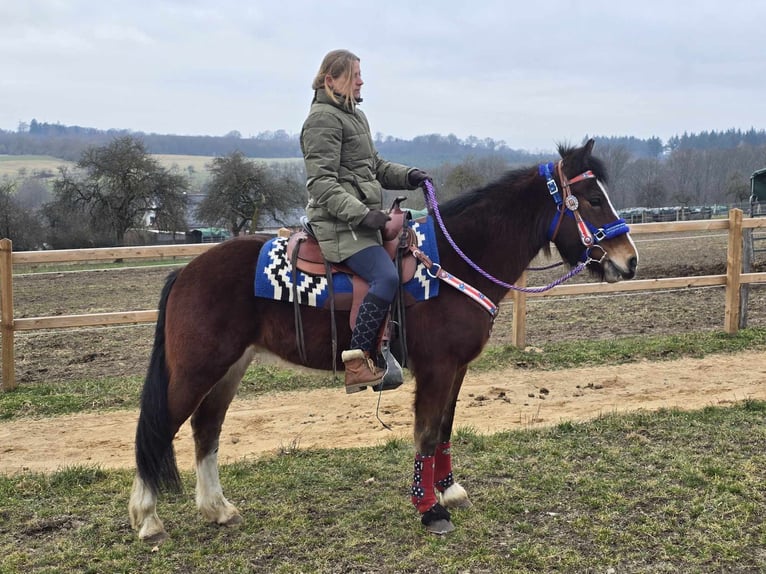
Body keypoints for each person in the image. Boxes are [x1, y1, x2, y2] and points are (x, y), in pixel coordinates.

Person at [300, 49, 431, 394]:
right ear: (331, 80)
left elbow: (374, 166)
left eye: (360, 74)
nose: (361, 80)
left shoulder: (355, 116)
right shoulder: (322, 120)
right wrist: (364, 214)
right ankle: (358, 362)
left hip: (361, 221)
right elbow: (322, 184)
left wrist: (410, 176)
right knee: (385, 276)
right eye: (354, 75)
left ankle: (395, 351)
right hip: (340, 225)